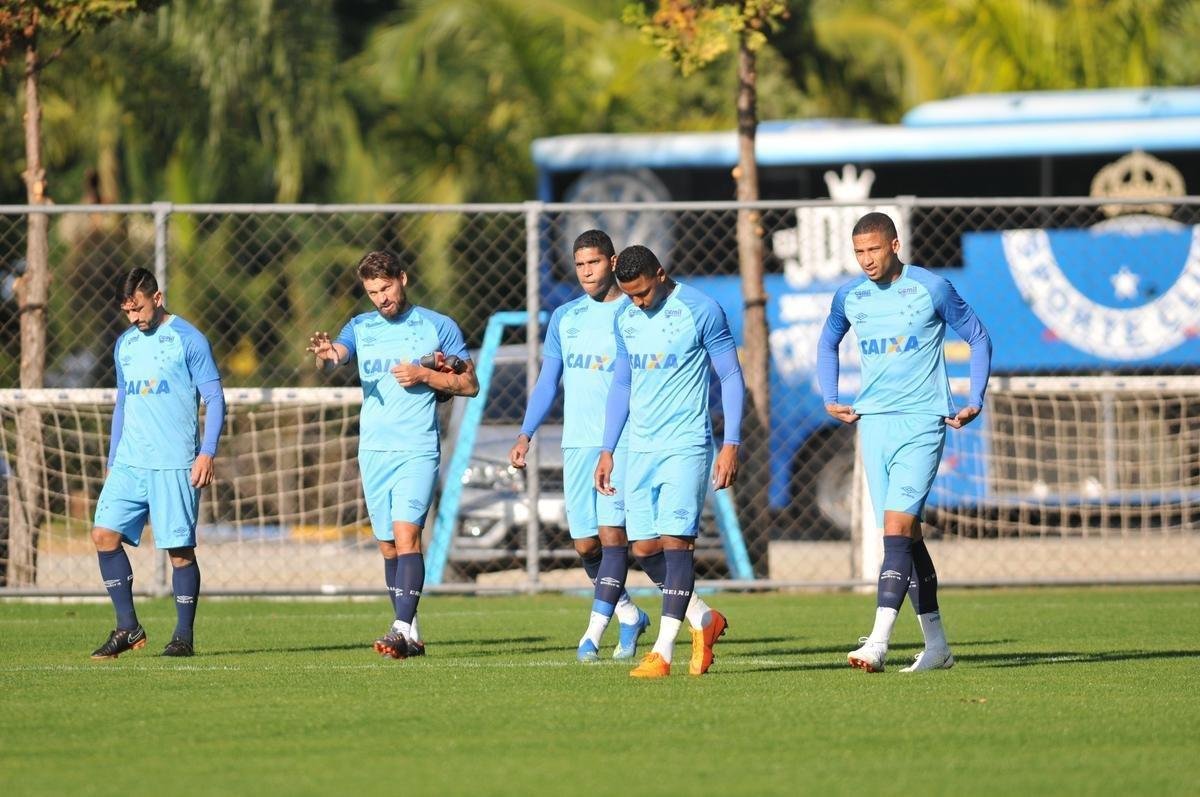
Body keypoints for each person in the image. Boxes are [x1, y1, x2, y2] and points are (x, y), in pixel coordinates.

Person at [817, 211, 992, 673]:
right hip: (874, 424)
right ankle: (937, 646)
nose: (866, 260)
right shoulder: (849, 296)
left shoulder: (932, 288)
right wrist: (830, 396)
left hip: (922, 421)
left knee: (894, 531)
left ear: (895, 245)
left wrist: (975, 398)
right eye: (859, 252)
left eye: (874, 249)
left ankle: (877, 642)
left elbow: (978, 336)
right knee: (907, 537)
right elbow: (828, 341)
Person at [308, 250, 478, 660]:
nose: (381, 298)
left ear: (402, 279)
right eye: (372, 292)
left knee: (407, 538)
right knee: (388, 547)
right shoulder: (360, 326)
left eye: (386, 288)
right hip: (373, 450)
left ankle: (399, 628)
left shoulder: (438, 325)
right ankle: (411, 634)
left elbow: (470, 384)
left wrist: (425, 375)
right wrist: (329, 355)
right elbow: (340, 352)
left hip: (417, 448)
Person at [595, 245, 744, 678]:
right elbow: (622, 384)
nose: (638, 302)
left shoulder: (702, 310)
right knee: (644, 549)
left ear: (660, 274)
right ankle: (704, 618)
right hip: (640, 450)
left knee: (677, 543)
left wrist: (731, 443)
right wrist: (607, 449)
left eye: (642, 292)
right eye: (629, 295)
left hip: (686, 444)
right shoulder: (625, 317)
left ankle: (662, 652)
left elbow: (730, 376)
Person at [510, 230, 655, 662]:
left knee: (613, 536)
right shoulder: (565, 317)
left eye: (594, 262)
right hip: (576, 443)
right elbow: (547, 382)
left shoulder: (634, 311)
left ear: (613, 262)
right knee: (586, 545)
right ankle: (630, 614)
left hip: (620, 442)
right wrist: (526, 433)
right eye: (579, 264)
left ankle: (592, 633)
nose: (587, 272)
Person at [90, 268, 225, 659]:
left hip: (175, 462)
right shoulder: (125, 345)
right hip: (130, 462)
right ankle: (127, 628)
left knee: (179, 552)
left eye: (139, 308)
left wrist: (207, 452)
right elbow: (123, 402)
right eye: (127, 311)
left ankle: (183, 637)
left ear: (158, 298)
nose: (134, 317)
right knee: (103, 535)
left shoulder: (189, 339)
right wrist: (113, 459)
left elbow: (215, 399)